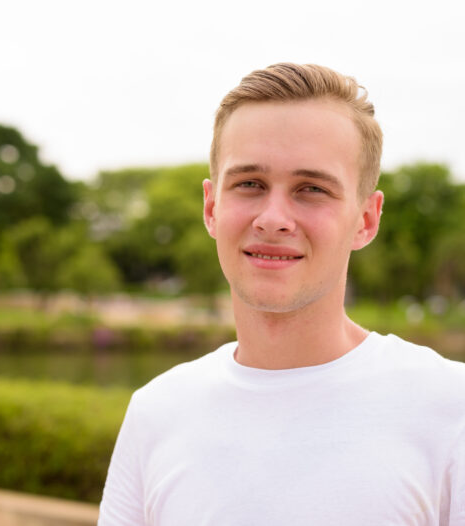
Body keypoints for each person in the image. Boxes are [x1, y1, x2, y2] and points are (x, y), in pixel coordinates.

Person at [98, 63, 465, 525]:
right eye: (249, 184)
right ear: (212, 208)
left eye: (311, 189)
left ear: (366, 220)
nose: (273, 218)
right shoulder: (156, 412)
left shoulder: (453, 410)